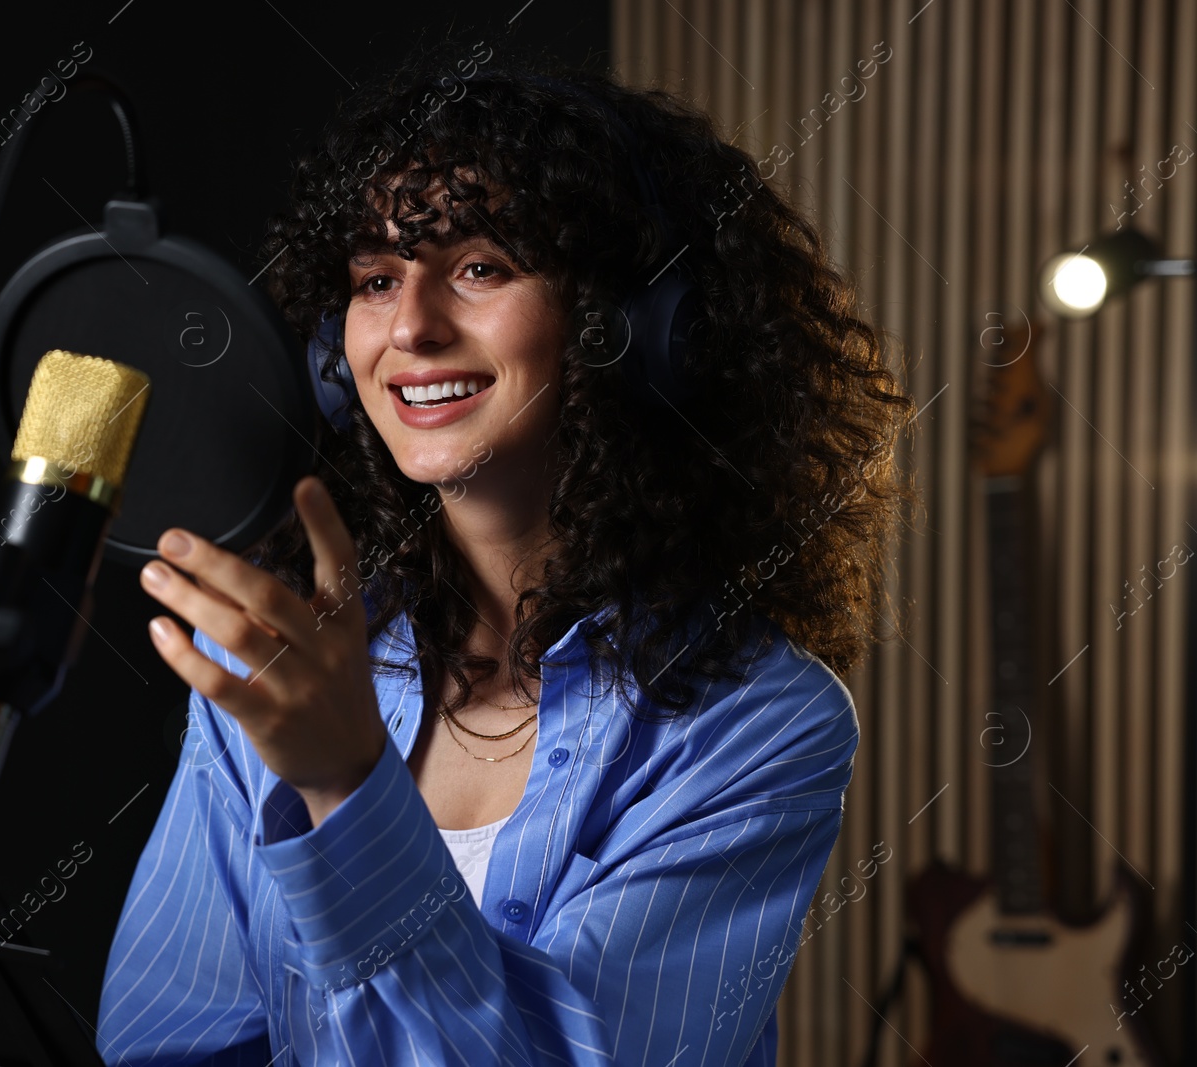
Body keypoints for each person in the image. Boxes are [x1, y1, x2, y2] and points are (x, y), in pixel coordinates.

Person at [96, 44, 915, 1067]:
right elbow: (169, 1042)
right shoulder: (276, 659)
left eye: (480, 268)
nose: (411, 327)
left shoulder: (755, 719)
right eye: (375, 278)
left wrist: (348, 788)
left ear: (632, 327)